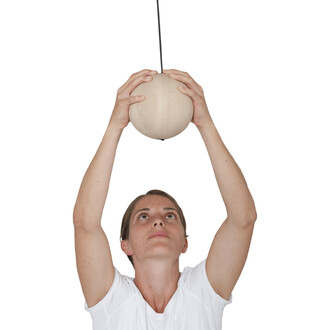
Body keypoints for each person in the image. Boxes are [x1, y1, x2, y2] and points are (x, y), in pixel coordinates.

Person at [73, 69, 257, 329]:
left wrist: (205, 124)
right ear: (125, 245)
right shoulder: (110, 300)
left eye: (170, 216)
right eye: (144, 216)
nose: (158, 222)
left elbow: (243, 219)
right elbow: (85, 223)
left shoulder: (203, 292)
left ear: (185, 243)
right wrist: (115, 125)